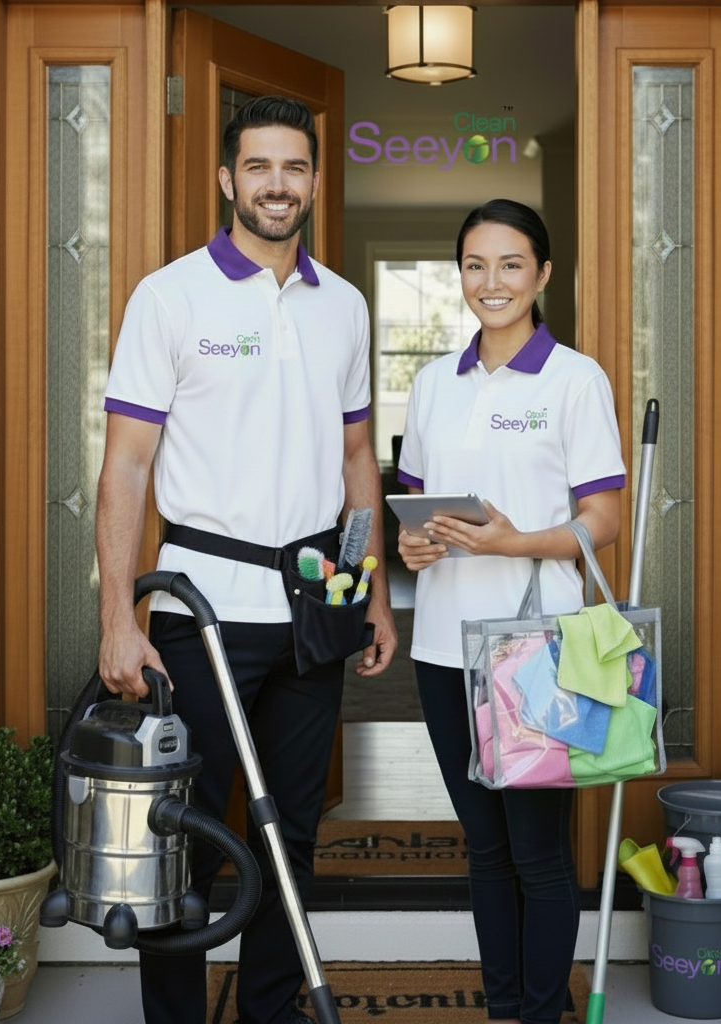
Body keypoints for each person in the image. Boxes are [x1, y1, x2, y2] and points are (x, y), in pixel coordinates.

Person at [95, 95, 397, 1024]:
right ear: (229, 179)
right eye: (259, 167)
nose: (278, 184)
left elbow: (356, 463)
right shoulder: (172, 294)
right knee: (180, 837)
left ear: (314, 179)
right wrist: (120, 617)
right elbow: (127, 466)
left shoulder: (342, 305)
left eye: (295, 168)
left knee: (289, 836)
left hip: (311, 612)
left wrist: (372, 590)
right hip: (198, 614)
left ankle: (272, 1009)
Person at [396, 199, 625, 1024]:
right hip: (442, 650)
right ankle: (503, 1009)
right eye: (475, 265)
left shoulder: (574, 379)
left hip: (540, 648)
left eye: (510, 265)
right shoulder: (431, 384)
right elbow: (418, 510)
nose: (491, 283)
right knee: (485, 850)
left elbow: (603, 521)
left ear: (543, 275)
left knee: (537, 852)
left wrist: (514, 541)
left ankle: (540, 1011)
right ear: (459, 274)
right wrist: (414, 549)